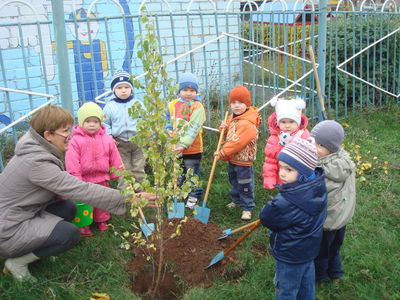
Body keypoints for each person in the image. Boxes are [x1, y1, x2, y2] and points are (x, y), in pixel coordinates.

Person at [0, 105, 156, 282]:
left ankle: (40, 250)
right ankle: (17, 262)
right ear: (48, 135)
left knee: (67, 207)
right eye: (65, 130)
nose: (70, 135)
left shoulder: (34, 148)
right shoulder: (36, 162)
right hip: (7, 231)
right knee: (69, 234)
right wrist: (130, 198)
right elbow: (81, 189)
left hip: (18, 215)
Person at [260, 138, 327, 300]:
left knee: (286, 288)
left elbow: (266, 217)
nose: (282, 173)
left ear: (303, 173)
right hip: (309, 249)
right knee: (306, 284)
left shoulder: (288, 201)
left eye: (289, 170)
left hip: (290, 253)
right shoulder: (318, 186)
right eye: (280, 167)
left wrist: (276, 202)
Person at [65, 102, 123, 237]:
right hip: (84, 179)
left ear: (100, 122)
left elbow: (114, 156)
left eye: (95, 121)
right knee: (85, 202)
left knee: (102, 200)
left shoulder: (107, 139)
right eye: (88, 121)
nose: (92, 124)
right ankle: (84, 224)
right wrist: (76, 178)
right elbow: (72, 161)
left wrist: (116, 171)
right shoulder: (75, 140)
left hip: (102, 177)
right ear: (80, 122)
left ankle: (102, 220)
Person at [311, 120, 356, 284]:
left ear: (331, 147)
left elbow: (317, 194)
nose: (314, 147)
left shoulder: (327, 170)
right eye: (313, 142)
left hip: (328, 220)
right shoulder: (342, 160)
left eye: (320, 145)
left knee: (321, 251)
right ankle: (336, 273)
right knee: (334, 248)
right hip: (342, 217)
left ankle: (320, 278)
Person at [215, 86, 261, 220]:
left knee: (245, 183)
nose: (237, 106)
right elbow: (230, 133)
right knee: (234, 180)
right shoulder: (232, 118)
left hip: (244, 160)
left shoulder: (247, 123)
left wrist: (223, 152)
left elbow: (237, 142)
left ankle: (247, 207)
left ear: (247, 104)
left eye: (241, 103)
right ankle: (237, 200)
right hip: (233, 158)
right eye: (234, 102)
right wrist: (223, 128)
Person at [165, 72, 206, 209]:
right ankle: (179, 192)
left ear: (196, 91)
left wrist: (184, 144)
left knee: (192, 173)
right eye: (185, 90)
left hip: (192, 148)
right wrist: (168, 130)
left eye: (192, 90)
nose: (188, 93)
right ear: (179, 90)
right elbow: (168, 121)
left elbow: (193, 128)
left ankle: (194, 196)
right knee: (178, 172)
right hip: (175, 147)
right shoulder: (172, 105)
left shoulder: (197, 107)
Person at [103, 70, 145, 190]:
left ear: (131, 89)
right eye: (119, 87)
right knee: (123, 169)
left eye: (126, 87)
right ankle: (125, 195)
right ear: (114, 90)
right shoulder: (110, 106)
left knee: (138, 168)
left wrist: (146, 134)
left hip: (138, 142)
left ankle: (141, 193)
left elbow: (145, 119)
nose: (123, 90)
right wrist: (110, 136)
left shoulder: (137, 104)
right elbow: (105, 123)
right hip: (119, 143)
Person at [263, 98, 310, 190]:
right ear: (278, 122)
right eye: (283, 122)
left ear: (298, 121)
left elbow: (310, 156)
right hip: (283, 177)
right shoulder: (275, 139)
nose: (287, 125)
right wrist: (270, 178)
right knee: (285, 197)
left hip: (301, 176)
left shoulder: (303, 135)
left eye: (291, 122)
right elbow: (270, 160)